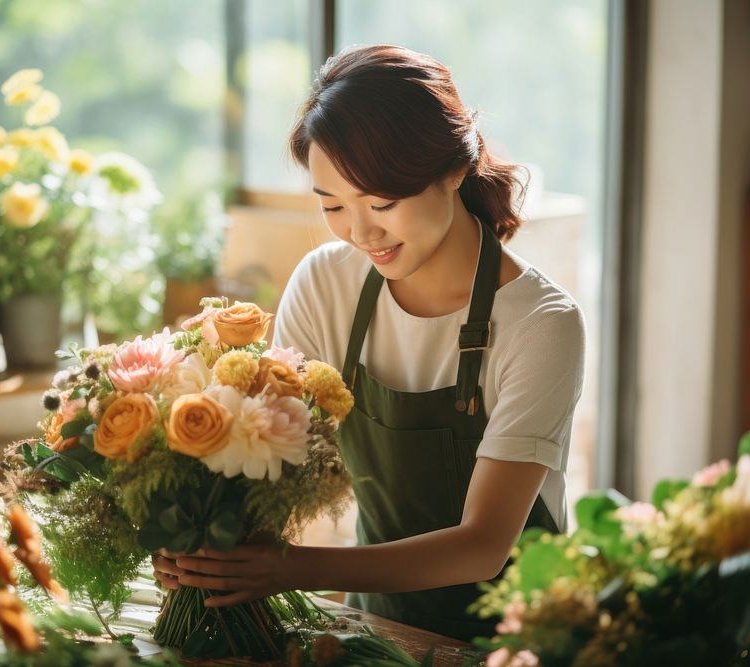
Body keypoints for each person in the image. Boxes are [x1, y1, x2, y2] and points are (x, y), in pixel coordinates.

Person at [152, 44, 585, 641]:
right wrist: (199, 536)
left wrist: (290, 570)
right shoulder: (328, 283)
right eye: (333, 204)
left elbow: (485, 546)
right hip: (379, 624)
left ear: (454, 170)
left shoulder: (542, 323)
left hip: (521, 639)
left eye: (382, 203)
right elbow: (272, 454)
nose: (361, 232)